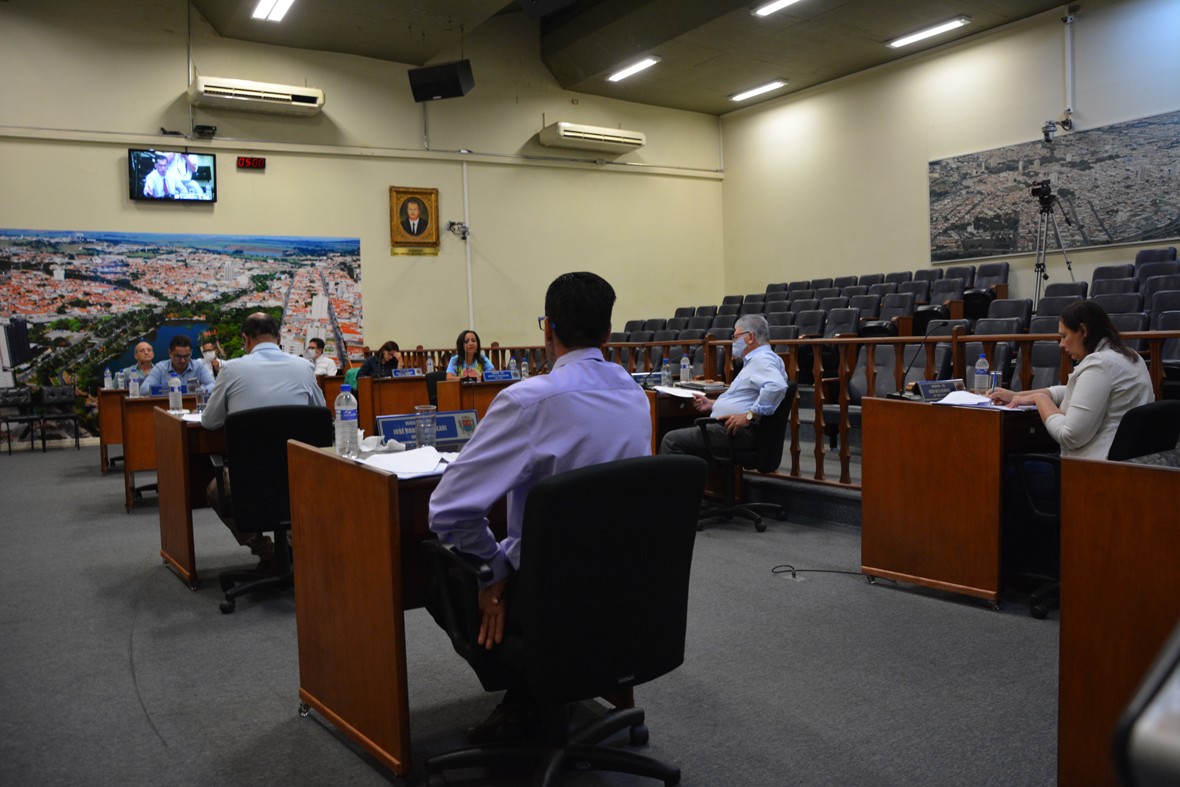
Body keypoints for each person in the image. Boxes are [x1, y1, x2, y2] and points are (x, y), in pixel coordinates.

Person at [428, 272, 651, 742]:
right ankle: (530, 696)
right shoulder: (635, 394)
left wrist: (493, 573)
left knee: (429, 564)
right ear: (608, 333)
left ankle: (526, 693)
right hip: (627, 588)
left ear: (548, 329)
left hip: (549, 597)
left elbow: (448, 508)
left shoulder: (528, 401)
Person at [201, 312, 326, 566]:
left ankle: (265, 551)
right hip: (300, 473)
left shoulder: (231, 369)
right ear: (279, 338)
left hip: (249, 477)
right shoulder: (304, 367)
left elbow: (209, 422)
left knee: (215, 490)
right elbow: (320, 415)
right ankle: (292, 546)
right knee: (288, 489)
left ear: (245, 339)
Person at [988, 300, 1153, 459]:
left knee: (1007, 464)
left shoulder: (1099, 364)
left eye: (1064, 336)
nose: (1061, 344)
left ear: (1083, 331)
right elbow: (1078, 391)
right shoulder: (1128, 356)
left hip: (1095, 466)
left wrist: (1039, 399)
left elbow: (1069, 436)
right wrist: (1017, 396)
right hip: (1129, 462)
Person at [658, 313, 788, 458]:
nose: (733, 342)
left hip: (736, 431)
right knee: (679, 432)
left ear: (750, 337)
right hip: (732, 429)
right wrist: (712, 404)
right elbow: (745, 398)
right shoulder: (759, 360)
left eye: (735, 337)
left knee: (671, 440)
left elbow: (777, 386)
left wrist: (748, 416)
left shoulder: (762, 359)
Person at [141, 334, 215, 395]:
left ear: (191, 352)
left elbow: (213, 385)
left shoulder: (198, 366)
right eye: (178, 356)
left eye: (186, 356)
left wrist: (198, 390)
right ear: (170, 353)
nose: (183, 360)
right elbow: (144, 390)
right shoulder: (160, 368)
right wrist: (169, 389)